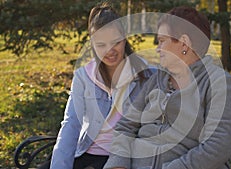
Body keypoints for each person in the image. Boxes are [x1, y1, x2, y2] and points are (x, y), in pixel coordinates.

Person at [104, 7, 231, 169]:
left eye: (162, 41)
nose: (157, 48)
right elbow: (126, 126)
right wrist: (118, 164)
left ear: (184, 43)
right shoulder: (156, 80)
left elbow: (217, 148)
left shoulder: (221, 85)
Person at [48, 4, 154, 169]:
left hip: (123, 159)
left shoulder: (145, 75)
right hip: (86, 152)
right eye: (101, 45)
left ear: (124, 38)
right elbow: (71, 124)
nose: (109, 51)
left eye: (115, 42)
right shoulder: (84, 76)